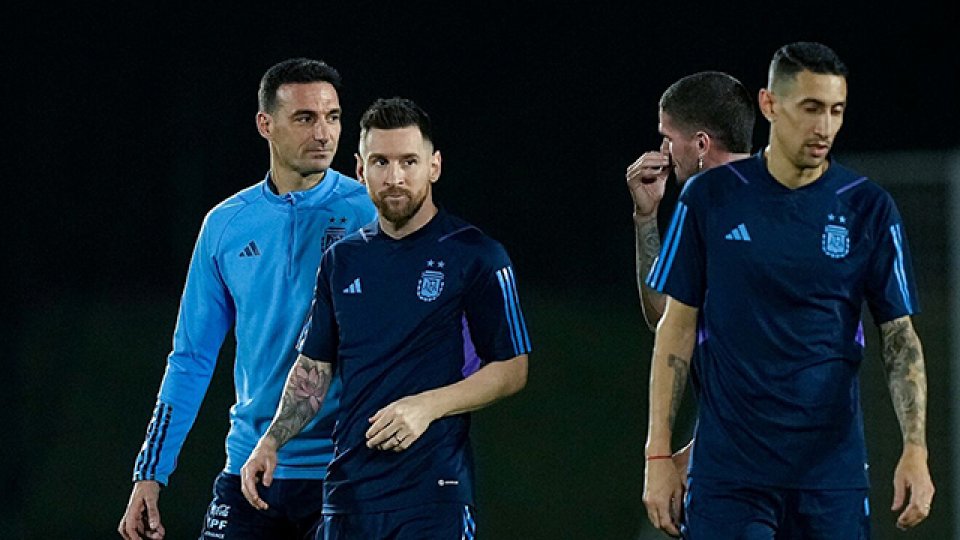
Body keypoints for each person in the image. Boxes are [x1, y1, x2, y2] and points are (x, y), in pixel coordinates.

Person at [643, 41, 934, 538]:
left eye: (836, 110)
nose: (824, 127)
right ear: (770, 104)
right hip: (730, 476)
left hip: (831, 477)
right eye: (811, 108)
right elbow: (675, 326)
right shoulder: (709, 198)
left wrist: (915, 449)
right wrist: (658, 454)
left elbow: (900, 336)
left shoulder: (868, 208)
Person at [240, 97, 530, 539]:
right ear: (360, 170)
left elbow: (512, 368)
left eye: (408, 162)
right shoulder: (341, 260)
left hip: (432, 497)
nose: (394, 177)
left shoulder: (476, 255)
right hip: (347, 497)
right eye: (381, 162)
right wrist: (271, 440)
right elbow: (315, 367)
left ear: (434, 166)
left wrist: (427, 406)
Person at [118, 58, 377, 540]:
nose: (324, 133)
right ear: (265, 124)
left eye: (333, 117)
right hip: (250, 469)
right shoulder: (226, 225)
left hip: (344, 473)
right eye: (305, 118)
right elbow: (191, 357)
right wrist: (150, 472)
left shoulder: (370, 213)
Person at [626, 70, 755, 502]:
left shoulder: (741, 211)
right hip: (737, 452)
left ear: (700, 145)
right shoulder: (706, 207)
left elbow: (775, 361)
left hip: (766, 467)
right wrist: (646, 218)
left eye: (668, 138)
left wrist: (680, 455)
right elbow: (664, 315)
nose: (663, 151)